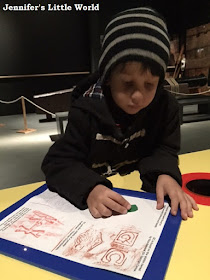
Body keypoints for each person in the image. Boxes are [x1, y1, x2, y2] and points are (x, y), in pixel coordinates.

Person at [42, 7, 198, 220]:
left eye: (149, 85)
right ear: (107, 77)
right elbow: (58, 162)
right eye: (127, 83)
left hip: (137, 198)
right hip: (96, 200)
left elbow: (164, 148)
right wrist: (89, 188)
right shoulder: (86, 111)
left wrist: (165, 173)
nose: (138, 96)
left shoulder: (165, 107)